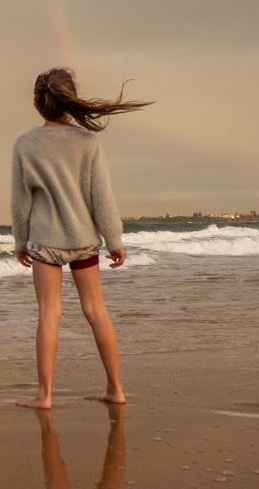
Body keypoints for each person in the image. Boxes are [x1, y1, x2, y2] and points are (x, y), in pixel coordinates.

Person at [11, 67, 153, 410]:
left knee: (49, 314)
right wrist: (114, 239)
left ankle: (44, 396)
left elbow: (20, 201)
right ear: (69, 101)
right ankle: (115, 389)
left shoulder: (25, 144)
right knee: (96, 311)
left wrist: (20, 241)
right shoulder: (88, 142)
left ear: (38, 104)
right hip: (84, 240)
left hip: (45, 242)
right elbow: (101, 196)